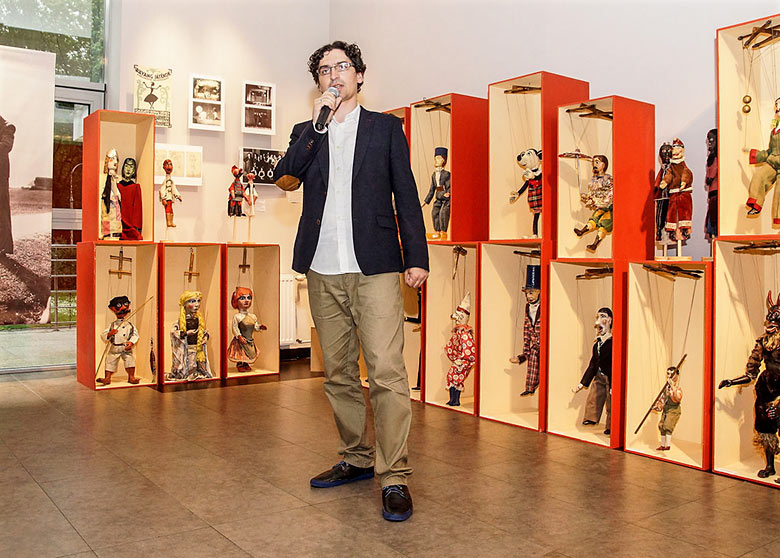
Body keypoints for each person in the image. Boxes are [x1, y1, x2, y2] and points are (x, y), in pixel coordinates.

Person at [274, 40, 428, 522]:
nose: (334, 75)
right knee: (338, 372)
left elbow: (406, 194)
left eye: (342, 66)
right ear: (318, 82)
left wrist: (416, 256)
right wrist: (315, 127)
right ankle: (356, 457)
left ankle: (395, 475)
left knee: (385, 371)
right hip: (322, 266)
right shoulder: (307, 131)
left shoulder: (386, 128)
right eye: (325, 70)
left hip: (375, 265)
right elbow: (286, 176)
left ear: (359, 75)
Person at [719, 291, 780, 480]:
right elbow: (751, 372)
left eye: (774, 320)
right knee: (765, 429)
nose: (769, 324)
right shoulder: (763, 342)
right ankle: (770, 466)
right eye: (769, 320)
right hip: (766, 389)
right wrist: (732, 381)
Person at [573, 307, 613, 435]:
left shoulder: (613, 343)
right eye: (598, 317)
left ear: (610, 320)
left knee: (611, 403)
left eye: (602, 317)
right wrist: (582, 383)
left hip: (610, 376)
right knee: (594, 396)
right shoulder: (597, 344)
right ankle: (591, 418)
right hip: (599, 374)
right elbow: (592, 364)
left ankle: (611, 426)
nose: (598, 321)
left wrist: (613, 384)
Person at [746, 98, 780, 223]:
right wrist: (755, 154)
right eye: (777, 107)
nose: (778, 109)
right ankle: (756, 203)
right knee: (759, 176)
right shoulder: (775, 131)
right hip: (773, 162)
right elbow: (770, 151)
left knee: (779, 194)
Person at [509, 264, 541, 396]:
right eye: (527, 293)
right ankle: (530, 387)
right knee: (533, 356)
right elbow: (527, 333)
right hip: (535, 349)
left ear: (539, 292)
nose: (529, 296)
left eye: (531, 292)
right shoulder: (528, 308)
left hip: (546, 349)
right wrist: (521, 357)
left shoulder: (544, 307)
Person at [168, 290, 212, 381]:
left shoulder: (199, 320)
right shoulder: (180, 321)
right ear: (184, 304)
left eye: (198, 301)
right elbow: (173, 332)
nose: (197, 304)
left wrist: (205, 337)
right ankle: (187, 374)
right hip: (187, 349)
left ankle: (197, 373)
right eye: (192, 301)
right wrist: (186, 333)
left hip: (198, 348)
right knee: (189, 363)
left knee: (197, 363)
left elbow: (204, 331)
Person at [97, 296, 140, 385]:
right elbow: (103, 335)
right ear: (113, 309)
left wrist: (131, 342)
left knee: (130, 361)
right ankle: (107, 378)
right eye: (119, 306)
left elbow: (135, 335)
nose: (123, 308)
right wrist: (110, 334)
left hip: (126, 348)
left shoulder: (129, 325)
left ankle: (131, 377)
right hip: (115, 347)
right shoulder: (112, 325)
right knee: (110, 361)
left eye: (125, 305)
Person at [573, 155, 613, 252]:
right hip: (600, 206)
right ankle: (582, 231)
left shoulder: (608, 179)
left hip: (609, 207)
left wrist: (602, 201)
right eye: (593, 162)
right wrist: (587, 197)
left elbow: (611, 193)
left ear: (604, 165)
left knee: (604, 223)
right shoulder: (594, 180)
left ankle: (595, 244)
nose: (595, 165)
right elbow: (592, 193)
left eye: (597, 162)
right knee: (594, 219)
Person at [226, 286, 267, 372]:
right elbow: (235, 328)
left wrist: (260, 327)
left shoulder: (253, 316)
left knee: (249, 353)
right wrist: (239, 336)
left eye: (249, 298)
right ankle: (240, 364)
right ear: (236, 301)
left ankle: (245, 364)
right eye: (242, 298)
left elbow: (255, 327)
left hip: (249, 339)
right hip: (240, 340)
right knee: (241, 353)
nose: (246, 300)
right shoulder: (237, 317)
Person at [662, 138, 694, 241]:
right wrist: (665, 181)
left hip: (683, 192)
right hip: (674, 192)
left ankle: (684, 229)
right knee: (671, 212)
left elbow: (686, 173)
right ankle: (672, 230)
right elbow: (669, 175)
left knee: (684, 211)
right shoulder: (671, 167)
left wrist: (684, 182)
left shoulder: (683, 166)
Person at [509, 148, 543, 237]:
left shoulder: (540, 173)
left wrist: (533, 177)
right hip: (534, 197)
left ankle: (541, 233)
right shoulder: (529, 175)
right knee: (536, 217)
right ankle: (535, 234)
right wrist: (518, 194)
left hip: (541, 196)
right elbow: (525, 185)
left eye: (529, 154)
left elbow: (539, 177)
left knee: (543, 216)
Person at [421, 147, 451, 239]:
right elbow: (432, 189)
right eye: (435, 158)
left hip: (445, 199)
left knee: (443, 213)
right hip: (438, 196)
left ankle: (443, 232)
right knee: (435, 213)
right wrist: (425, 201)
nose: (436, 161)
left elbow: (449, 185)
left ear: (443, 160)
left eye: (438, 158)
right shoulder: (434, 175)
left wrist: (448, 193)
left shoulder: (446, 174)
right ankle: (437, 231)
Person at [654, 366, 683, 451]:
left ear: (677, 375)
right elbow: (662, 399)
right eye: (668, 373)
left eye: (672, 374)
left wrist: (673, 387)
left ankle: (668, 445)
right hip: (666, 409)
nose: (669, 375)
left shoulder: (677, 388)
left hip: (674, 410)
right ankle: (663, 445)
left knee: (668, 426)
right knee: (661, 426)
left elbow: (677, 398)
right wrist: (658, 406)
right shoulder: (666, 388)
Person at [117, 158, 143, 240]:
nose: (128, 169)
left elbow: (137, 208)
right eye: (126, 166)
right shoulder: (117, 186)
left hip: (130, 225)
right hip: (119, 224)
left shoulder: (135, 187)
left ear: (134, 170)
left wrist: (136, 227)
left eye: (131, 167)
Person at [0, 115, 15, 255]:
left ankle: (3, 246)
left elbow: (5, 146)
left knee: (2, 211)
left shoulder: (8, 128)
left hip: (1, 178)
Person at [100, 148, 122, 239]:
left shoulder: (115, 178)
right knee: (107, 217)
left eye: (116, 159)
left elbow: (115, 188)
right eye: (112, 159)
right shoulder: (104, 178)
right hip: (108, 201)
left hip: (114, 201)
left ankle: (116, 232)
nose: (115, 162)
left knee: (116, 216)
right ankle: (107, 233)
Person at [159, 159, 182, 228]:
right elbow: (162, 189)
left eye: (170, 164)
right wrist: (163, 198)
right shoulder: (165, 181)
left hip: (170, 197)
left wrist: (178, 195)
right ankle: (168, 221)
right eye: (167, 165)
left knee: (171, 209)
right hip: (167, 198)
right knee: (168, 208)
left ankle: (171, 221)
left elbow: (174, 189)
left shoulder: (171, 181)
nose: (169, 166)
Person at [704, 129, 718, 239]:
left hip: (716, 190)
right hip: (712, 190)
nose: (709, 143)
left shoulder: (715, 157)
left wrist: (710, 177)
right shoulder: (711, 157)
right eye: (709, 140)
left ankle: (714, 229)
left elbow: (714, 168)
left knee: (714, 213)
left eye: (712, 140)